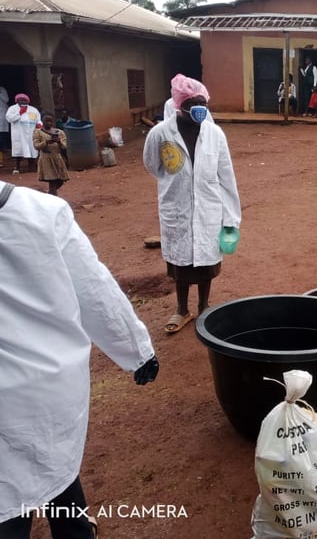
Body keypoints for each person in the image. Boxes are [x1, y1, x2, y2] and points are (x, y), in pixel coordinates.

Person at [0, 179, 159, 539]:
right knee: (55, 464)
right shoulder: (42, 212)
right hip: (51, 389)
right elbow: (94, 290)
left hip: (10, 400)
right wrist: (138, 352)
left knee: (8, 493)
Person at [144, 74, 241, 334]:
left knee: (207, 264)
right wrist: (177, 182)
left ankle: (204, 306)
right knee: (181, 265)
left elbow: (226, 177)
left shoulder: (215, 134)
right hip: (177, 209)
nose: (199, 110)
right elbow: (152, 165)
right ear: (179, 105)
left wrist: (231, 218)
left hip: (210, 209)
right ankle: (182, 309)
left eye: (203, 104)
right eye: (193, 104)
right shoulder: (161, 133)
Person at [33, 111, 69, 196]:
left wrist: (59, 142)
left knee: (61, 180)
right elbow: (36, 146)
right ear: (42, 121)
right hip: (46, 159)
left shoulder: (59, 132)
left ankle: (48, 195)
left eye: (50, 121)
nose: (49, 123)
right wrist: (46, 142)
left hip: (57, 158)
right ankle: (53, 198)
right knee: (52, 181)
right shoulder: (38, 132)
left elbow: (65, 146)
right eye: (46, 121)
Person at [5, 93, 41, 175]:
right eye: (21, 100)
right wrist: (19, 113)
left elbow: (38, 119)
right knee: (19, 150)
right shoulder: (12, 109)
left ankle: (31, 165)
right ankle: (17, 167)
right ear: (17, 101)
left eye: (25, 100)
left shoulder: (33, 109)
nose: (23, 102)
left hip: (31, 133)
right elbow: (9, 118)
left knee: (32, 149)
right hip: (19, 134)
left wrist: (39, 124)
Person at [0, 85, 8, 167]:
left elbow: (6, 99)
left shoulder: (2, 89)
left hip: (2, 114)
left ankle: (4, 148)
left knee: (2, 135)